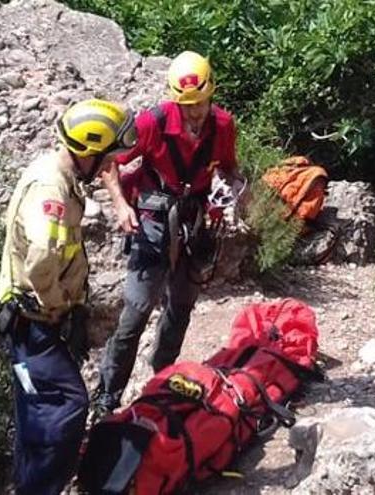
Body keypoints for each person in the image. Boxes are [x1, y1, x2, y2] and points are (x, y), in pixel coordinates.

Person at [0, 98, 136, 495]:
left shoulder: (59, 175)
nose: (110, 166)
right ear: (88, 151)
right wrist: (57, 305)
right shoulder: (51, 191)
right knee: (65, 410)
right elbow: (40, 261)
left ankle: (25, 483)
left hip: (33, 322)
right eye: (107, 157)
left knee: (34, 414)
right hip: (33, 323)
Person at [91, 51, 245, 422]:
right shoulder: (152, 123)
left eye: (199, 104)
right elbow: (109, 162)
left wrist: (235, 197)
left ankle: (161, 379)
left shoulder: (222, 125)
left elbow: (228, 167)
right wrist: (120, 206)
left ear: (211, 94)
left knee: (181, 306)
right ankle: (107, 395)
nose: (193, 113)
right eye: (186, 105)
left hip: (193, 222)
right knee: (137, 310)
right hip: (153, 221)